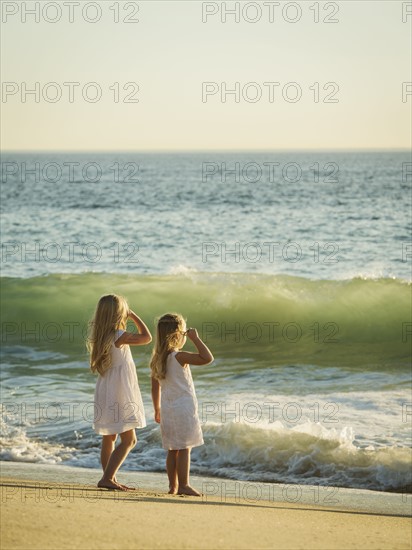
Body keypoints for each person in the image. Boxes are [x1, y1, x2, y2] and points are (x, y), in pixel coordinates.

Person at [88, 294, 152, 491]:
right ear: (120, 314)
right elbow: (147, 337)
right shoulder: (119, 335)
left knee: (109, 437)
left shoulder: (101, 337)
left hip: (106, 390)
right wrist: (133, 316)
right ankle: (107, 478)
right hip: (120, 392)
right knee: (129, 440)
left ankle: (109, 477)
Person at [150, 313, 214, 496]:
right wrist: (196, 339)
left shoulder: (157, 359)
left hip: (168, 409)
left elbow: (155, 388)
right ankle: (184, 484)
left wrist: (157, 409)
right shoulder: (179, 357)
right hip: (184, 408)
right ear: (178, 335)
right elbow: (207, 358)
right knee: (185, 448)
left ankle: (173, 486)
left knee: (172, 449)